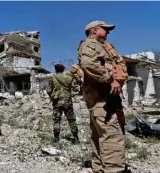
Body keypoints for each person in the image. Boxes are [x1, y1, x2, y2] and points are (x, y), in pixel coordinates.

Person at [78, 21, 128, 173]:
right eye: (105, 29)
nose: (108, 32)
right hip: (102, 101)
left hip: (103, 101)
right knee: (112, 136)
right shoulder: (90, 44)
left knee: (100, 138)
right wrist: (110, 79)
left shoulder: (102, 46)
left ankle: (100, 169)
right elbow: (88, 64)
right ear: (94, 30)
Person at [47, 63, 79, 144]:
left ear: (55, 70)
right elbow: (75, 89)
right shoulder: (69, 78)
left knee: (56, 120)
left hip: (57, 102)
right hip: (68, 102)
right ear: (63, 69)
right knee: (71, 120)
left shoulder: (52, 79)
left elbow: (48, 90)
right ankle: (76, 138)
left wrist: (53, 95)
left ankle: (56, 138)